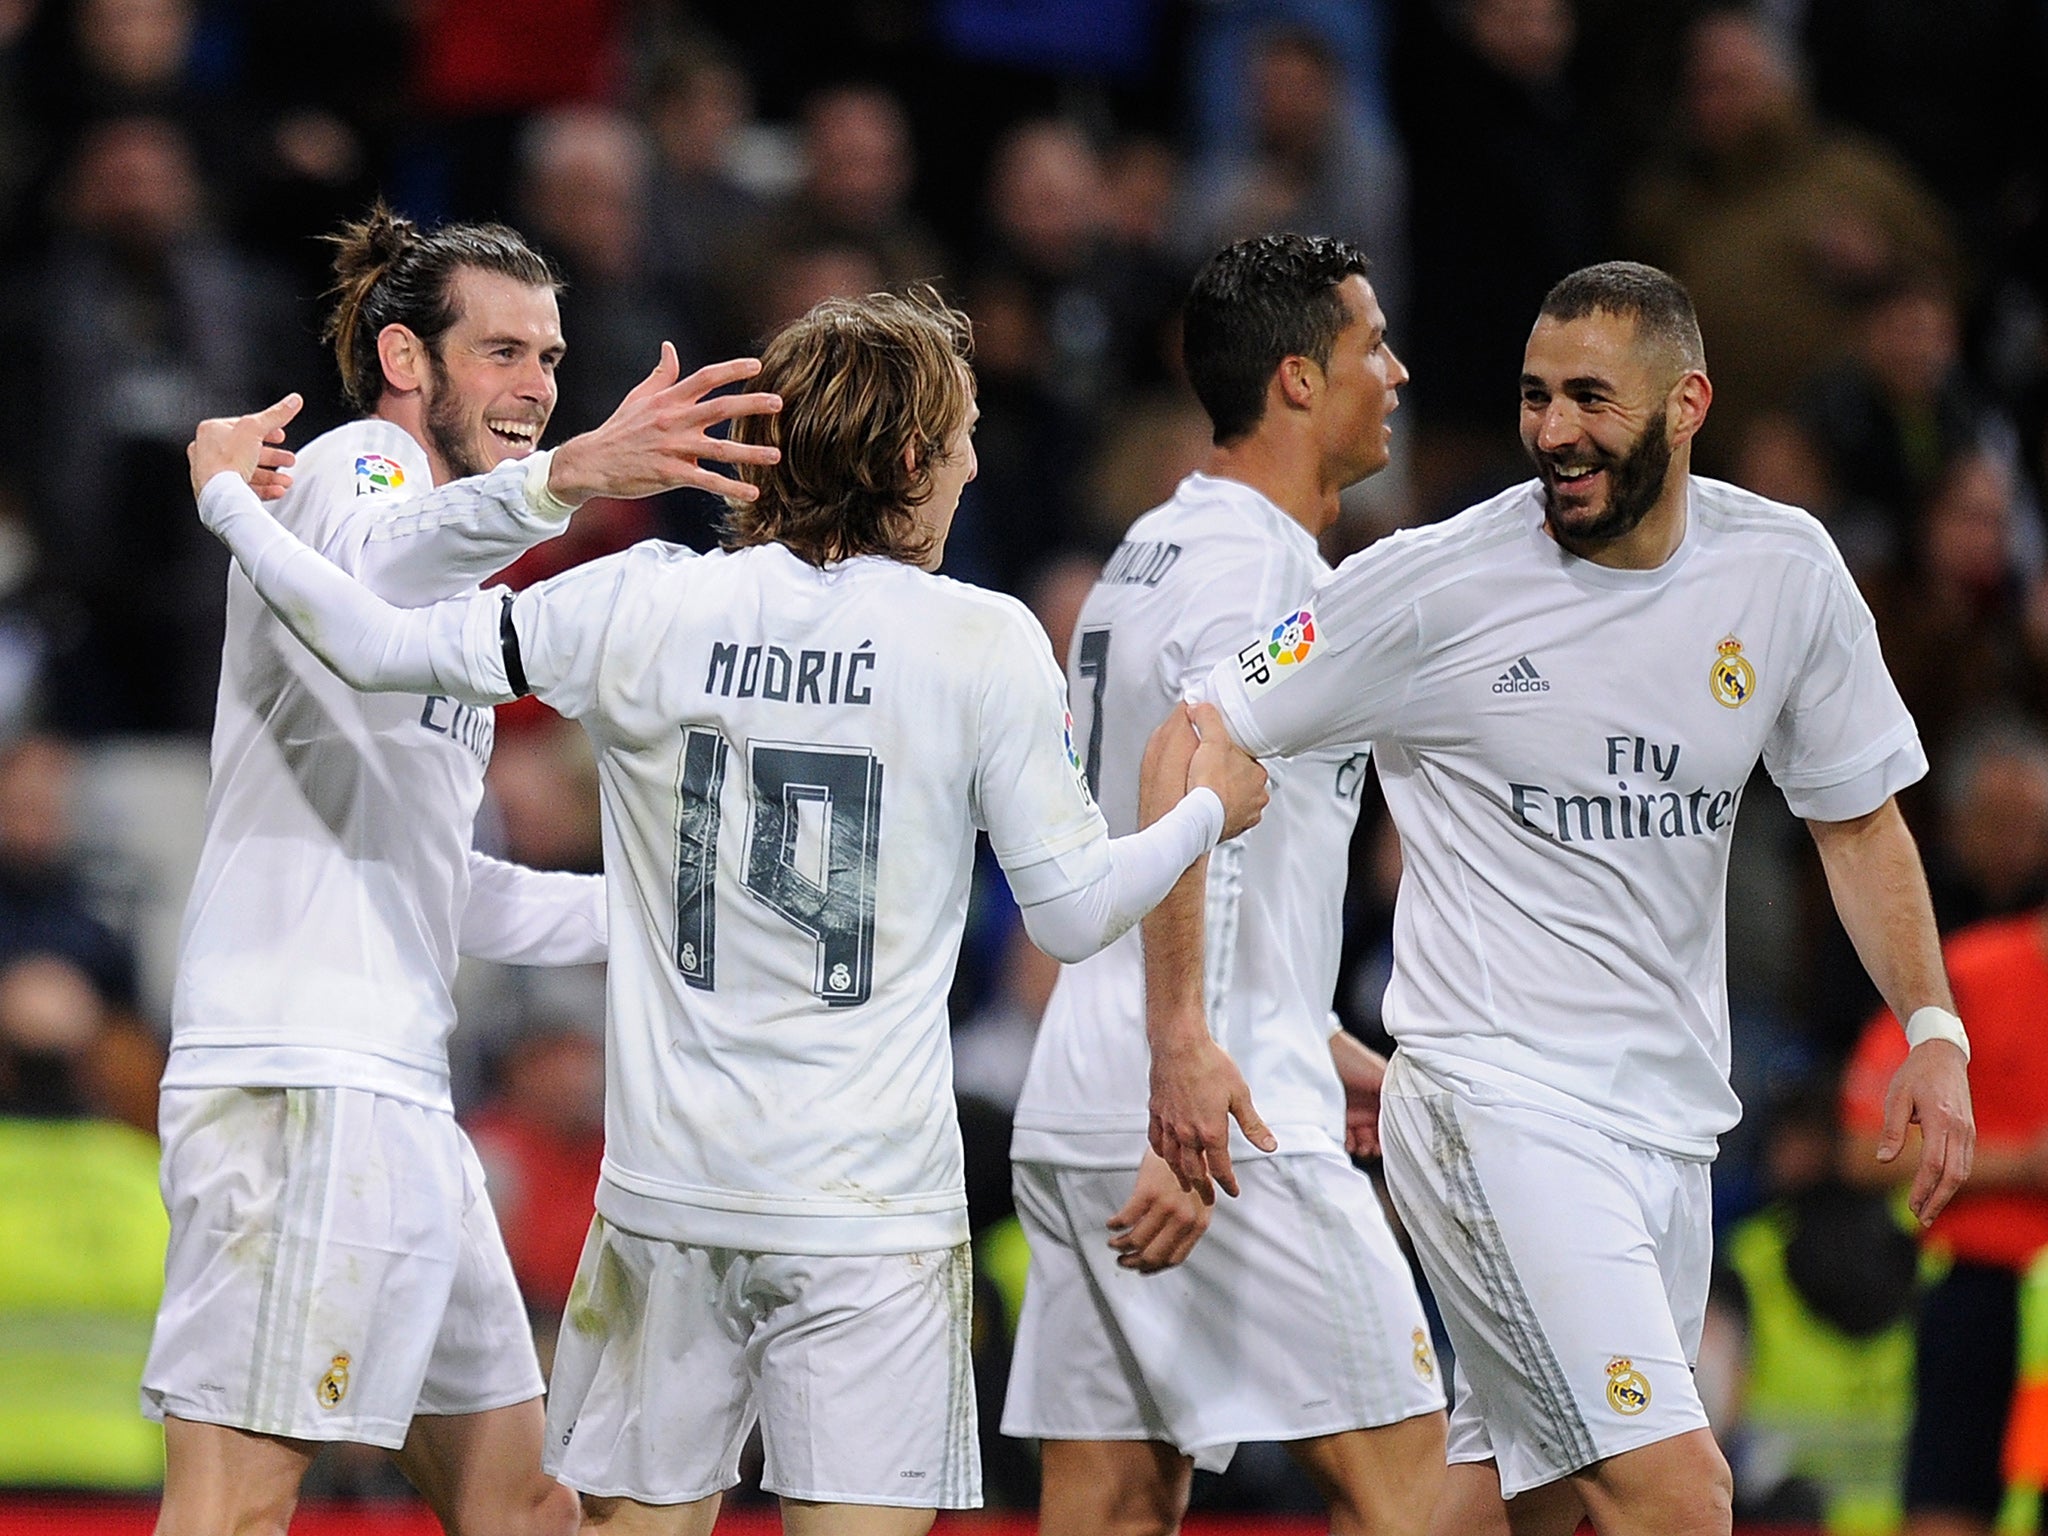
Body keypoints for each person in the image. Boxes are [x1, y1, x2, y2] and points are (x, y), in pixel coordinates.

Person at [183, 287, 1271, 1536]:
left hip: (663, 1215)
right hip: (867, 1223)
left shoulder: (646, 600)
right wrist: (1201, 817)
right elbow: (1074, 915)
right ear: (911, 457)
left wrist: (226, 504)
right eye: (963, 436)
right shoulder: (979, 638)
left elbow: (368, 643)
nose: (975, 465)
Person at [1147, 260, 1977, 1536]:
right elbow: (1199, 727)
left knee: (1499, 1502)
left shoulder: (1783, 572)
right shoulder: (1432, 583)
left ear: (1686, 402)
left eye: (1589, 397)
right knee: (1676, 1494)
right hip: (1495, 1101)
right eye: (1534, 397)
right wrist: (1191, 1027)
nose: (1551, 431)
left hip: (1668, 1125)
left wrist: (1929, 1026)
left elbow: (1854, 816)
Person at [141, 202, 783, 1536]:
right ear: (403, 359)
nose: (537, 387)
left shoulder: (457, 567)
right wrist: (575, 480)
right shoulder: (357, 470)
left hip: (394, 1104)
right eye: (500, 352)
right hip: (299, 1080)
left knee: (527, 1507)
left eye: (549, 357)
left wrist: (674, 914)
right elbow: (375, 577)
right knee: (237, 1507)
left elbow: (454, 888)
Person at [1002, 232, 1446, 1536]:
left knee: (1112, 1503)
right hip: (1212, 1112)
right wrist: (1194, 1045)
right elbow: (1182, 763)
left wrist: (1309, 1031)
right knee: (1418, 1494)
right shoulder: (1262, 573)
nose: (1400, 374)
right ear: (1300, 380)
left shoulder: (1147, 551)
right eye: (1374, 346)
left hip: (1088, 1091)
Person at [1844, 905, 2048, 1536]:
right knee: (1948, 1500)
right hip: (1979, 1291)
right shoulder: (1971, 975)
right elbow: (1865, 1147)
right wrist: (2025, 1163)